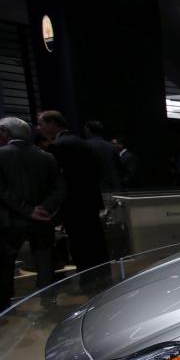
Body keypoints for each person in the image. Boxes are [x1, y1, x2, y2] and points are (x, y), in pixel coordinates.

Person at [37, 110, 110, 284]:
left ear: (52, 124)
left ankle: (88, 279)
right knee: (95, 240)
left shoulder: (59, 145)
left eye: (41, 123)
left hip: (73, 203)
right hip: (91, 200)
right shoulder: (82, 143)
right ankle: (103, 275)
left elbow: (59, 180)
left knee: (80, 244)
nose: (38, 128)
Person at [0, 117, 64, 309]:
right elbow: (60, 188)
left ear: (5, 132)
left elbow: (2, 191)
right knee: (44, 260)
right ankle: (49, 300)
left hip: (10, 221)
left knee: (5, 264)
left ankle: (5, 307)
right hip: (42, 221)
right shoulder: (46, 156)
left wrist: (28, 211)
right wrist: (44, 209)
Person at [84, 120, 122, 190]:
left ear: (88, 130)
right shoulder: (111, 147)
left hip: (94, 187)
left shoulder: (84, 145)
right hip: (113, 186)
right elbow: (119, 167)